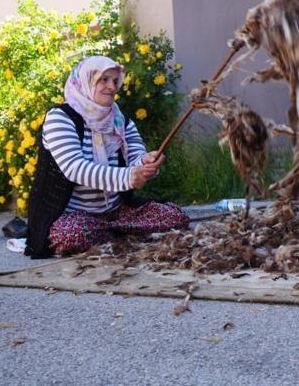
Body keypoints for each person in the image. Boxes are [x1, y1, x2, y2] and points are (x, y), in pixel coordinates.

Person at [24, 56, 188, 258]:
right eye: (104, 79)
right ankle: (124, 236)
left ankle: (113, 235)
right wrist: (128, 177)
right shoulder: (60, 118)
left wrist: (146, 164)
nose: (112, 86)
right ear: (86, 80)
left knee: (174, 217)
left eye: (115, 81)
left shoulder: (120, 120)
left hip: (117, 212)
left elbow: (136, 157)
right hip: (73, 216)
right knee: (71, 235)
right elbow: (74, 167)